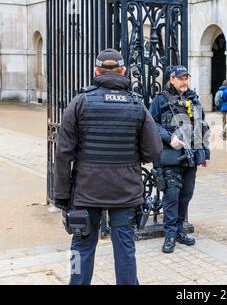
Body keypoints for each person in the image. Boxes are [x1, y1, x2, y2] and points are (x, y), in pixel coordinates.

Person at [53, 48, 163, 285]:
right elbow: (153, 151)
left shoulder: (80, 102)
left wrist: (62, 196)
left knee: (80, 248)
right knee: (125, 248)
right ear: (123, 71)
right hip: (125, 192)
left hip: (86, 192)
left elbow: (63, 153)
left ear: (96, 71)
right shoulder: (137, 105)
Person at [150, 65, 210, 253]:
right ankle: (169, 235)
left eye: (186, 78)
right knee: (172, 196)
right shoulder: (160, 100)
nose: (184, 81)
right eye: (181, 78)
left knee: (186, 195)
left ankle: (179, 230)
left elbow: (202, 126)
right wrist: (169, 138)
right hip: (169, 155)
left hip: (191, 156)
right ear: (172, 80)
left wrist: (205, 153)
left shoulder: (194, 98)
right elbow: (151, 124)